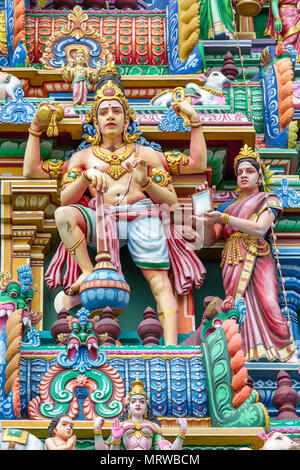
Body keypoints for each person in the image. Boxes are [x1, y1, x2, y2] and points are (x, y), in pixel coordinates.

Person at [23, 61, 207, 346]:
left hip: (141, 215)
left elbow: (190, 173)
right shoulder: (83, 158)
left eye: (116, 111)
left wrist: (146, 181)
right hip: (101, 218)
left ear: (127, 117)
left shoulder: (145, 154)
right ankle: (88, 272)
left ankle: (171, 347)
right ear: (95, 121)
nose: (110, 116)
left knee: (160, 281)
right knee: (63, 214)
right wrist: (39, 132)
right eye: (103, 111)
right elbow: (36, 175)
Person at [194, 145, 297, 362]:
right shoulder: (227, 207)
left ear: (259, 177)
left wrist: (223, 219)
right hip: (233, 258)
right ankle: (247, 352)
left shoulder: (268, 199)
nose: (243, 175)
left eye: (249, 171)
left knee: (269, 302)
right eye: (240, 172)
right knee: (237, 305)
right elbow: (209, 239)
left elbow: (260, 228)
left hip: (258, 255)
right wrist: (205, 218)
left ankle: (284, 353)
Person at [94, 379, 187, 450]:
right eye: (133, 401)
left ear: (146, 407)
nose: (137, 404)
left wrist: (181, 433)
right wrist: (99, 432)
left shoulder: (153, 427)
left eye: (142, 402)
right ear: (128, 406)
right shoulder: (121, 426)